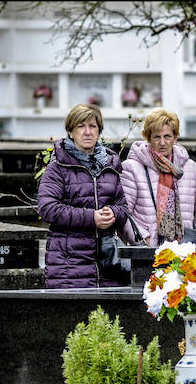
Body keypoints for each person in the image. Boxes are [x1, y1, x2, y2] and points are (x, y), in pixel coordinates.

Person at [37, 104, 129, 288]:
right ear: (70, 132)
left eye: (92, 126)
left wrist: (113, 213)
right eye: (81, 126)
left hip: (108, 264)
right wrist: (91, 217)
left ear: (99, 131)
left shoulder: (110, 165)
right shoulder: (58, 168)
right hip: (69, 265)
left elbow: (123, 207)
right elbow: (48, 208)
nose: (87, 132)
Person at [120, 108, 196, 246]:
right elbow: (123, 211)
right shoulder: (131, 167)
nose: (162, 142)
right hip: (148, 253)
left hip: (184, 251)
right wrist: (143, 239)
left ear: (175, 137)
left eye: (167, 136)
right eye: (156, 137)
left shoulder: (189, 167)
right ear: (148, 138)